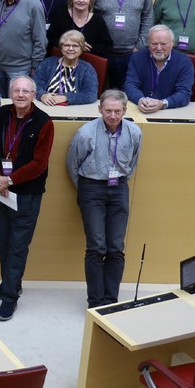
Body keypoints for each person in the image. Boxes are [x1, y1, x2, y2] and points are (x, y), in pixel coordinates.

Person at [0, 76, 54, 321]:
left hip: (26, 195)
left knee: (17, 247)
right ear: (10, 93)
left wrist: (10, 180)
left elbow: (39, 163)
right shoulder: (1, 114)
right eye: (16, 90)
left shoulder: (44, 122)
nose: (21, 95)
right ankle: (8, 283)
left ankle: (10, 297)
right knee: (3, 242)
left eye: (26, 91)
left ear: (34, 94)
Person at [67, 91, 142, 307]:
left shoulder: (134, 132)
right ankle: (95, 302)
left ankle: (111, 300)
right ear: (100, 109)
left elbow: (133, 162)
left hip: (119, 187)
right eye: (108, 110)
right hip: (91, 188)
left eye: (117, 111)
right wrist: (86, 190)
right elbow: (73, 165)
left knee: (116, 247)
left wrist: (120, 180)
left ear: (125, 111)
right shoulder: (86, 133)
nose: (112, 115)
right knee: (96, 246)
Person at [89, 0, 154, 88]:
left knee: (128, 93)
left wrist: (140, 45)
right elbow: (85, 14)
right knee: (100, 92)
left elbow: (148, 15)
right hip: (102, 53)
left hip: (132, 53)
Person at [123, 25, 195, 113]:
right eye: (154, 44)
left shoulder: (184, 62)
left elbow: (184, 93)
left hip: (171, 111)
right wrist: (140, 100)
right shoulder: (137, 58)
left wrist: (162, 103)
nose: (159, 48)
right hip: (141, 109)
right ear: (148, 43)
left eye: (163, 44)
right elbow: (129, 85)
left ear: (172, 43)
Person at [48, 0, 113, 60]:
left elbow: (107, 46)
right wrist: (68, 44)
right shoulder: (60, 16)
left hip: (89, 64)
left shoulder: (98, 20)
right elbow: (50, 40)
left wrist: (86, 47)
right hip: (61, 61)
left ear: (90, 1)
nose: (81, 0)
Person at [35, 31, 99, 105]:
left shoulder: (87, 69)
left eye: (75, 46)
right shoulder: (47, 63)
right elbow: (36, 85)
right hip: (46, 107)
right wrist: (42, 95)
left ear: (81, 49)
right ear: (61, 48)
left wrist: (65, 98)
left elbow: (91, 95)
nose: (71, 49)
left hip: (74, 111)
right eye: (67, 45)